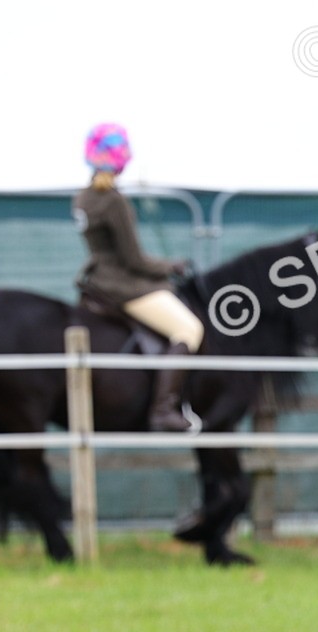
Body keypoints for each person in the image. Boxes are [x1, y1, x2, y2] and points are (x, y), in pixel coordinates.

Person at [73, 123, 203, 433]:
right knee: (189, 328)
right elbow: (134, 260)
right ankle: (163, 409)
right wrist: (170, 266)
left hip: (97, 280)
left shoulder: (83, 197)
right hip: (123, 285)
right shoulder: (114, 201)